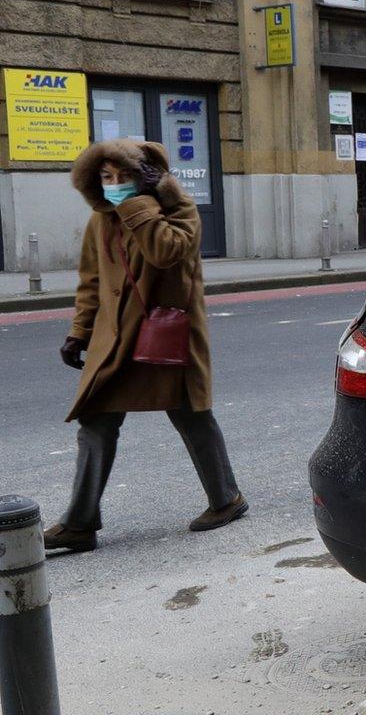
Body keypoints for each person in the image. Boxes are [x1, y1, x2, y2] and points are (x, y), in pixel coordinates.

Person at [44, 139, 245, 553]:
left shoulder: (179, 210)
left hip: (165, 334)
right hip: (116, 338)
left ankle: (226, 500)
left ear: (147, 177)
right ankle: (79, 524)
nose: (115, 185)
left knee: (191, 415)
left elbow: (167, 252)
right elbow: (92, 281)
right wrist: (79, 331)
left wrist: (144, 204)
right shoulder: (101, 221)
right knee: (96, 419)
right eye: (106, 177)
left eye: (125, 176)